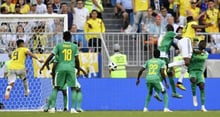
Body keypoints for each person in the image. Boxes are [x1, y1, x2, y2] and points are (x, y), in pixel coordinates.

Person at [39, 31, 80, 113]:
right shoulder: (74, 46)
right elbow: (77, 60)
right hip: (71, 68)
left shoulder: (59, 46)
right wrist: (78, 70)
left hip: (60, 68)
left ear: (63, 38)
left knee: (56, 87)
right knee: (73, 88)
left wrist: (43, 66)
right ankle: (72, 109)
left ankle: (53, 108)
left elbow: (51, 56)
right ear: (70, 38)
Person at [168, 16, 210, 87]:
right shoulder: (191, 23)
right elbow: (194, 26)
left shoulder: (185, 27)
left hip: (183, 41)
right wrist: (205, 26)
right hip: (186, 41)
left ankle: (179, 82)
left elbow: (181, 37)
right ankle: (169, 65)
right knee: (187, 62)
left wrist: (174, 36)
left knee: (187, 62)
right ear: (192, 20)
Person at [158, 24, 183, 98]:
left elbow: (173, 43)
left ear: (167, 29)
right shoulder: (170, 33)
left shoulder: (168, 37)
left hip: (162, 55)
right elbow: (179, 37)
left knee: (169, 73)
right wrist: (187, 39)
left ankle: (173, 92)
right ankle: (158, 91)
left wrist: (177, 48)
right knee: (166, 73)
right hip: (163, 55)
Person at [188, 40, 208, 112]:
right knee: (193, 79)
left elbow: (202, 58)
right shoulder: (193, 51)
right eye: (202, 43)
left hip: (200, 72)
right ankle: (194, 96)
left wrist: (196, 53)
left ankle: (203, 106)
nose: (203, 45)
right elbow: (191, 53)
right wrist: (195, 52)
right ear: (199, 44)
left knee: (202, 86)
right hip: (192, 70)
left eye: (204, 44)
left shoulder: (206, 53)